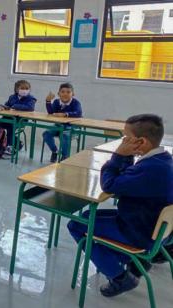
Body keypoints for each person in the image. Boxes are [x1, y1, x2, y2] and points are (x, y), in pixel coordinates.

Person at [68, 114, 173, 298]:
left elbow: (109, 184)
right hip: (151, 225)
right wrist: (125, 157)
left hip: (139, 232)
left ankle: (120, 276)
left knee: (76, 225)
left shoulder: (151, 169)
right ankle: (135, 261)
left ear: (141, 141)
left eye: (126, 138)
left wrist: (117, 156)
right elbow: (126, 177)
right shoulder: (162, 161)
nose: (122, 141)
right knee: (86, 217)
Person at [43, 83, 82, 162]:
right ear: (58, 94)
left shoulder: (76, 103)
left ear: (73, 94)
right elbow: (51, 112)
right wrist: (48, 101)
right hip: (58, 126)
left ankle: (65, 156)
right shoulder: (57, 102)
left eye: (68, 92)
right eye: (63, 92)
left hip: (72, 127)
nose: (65, 94)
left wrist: (65, 114)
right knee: (46, 134)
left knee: (64, 135)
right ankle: (55, 151)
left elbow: (78, 113)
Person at [0, 80, 36, 153]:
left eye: (27, 88)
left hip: (20, 120)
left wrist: (15, 106)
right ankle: (18, 143)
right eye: (22, 88)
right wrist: (4, 107)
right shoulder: (12, 97)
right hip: (8, 117)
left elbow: (30, 107)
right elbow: (8, 104)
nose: (25, 90)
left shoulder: (31, 98)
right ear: (17, 89)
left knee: (10, 127)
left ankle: (10, 146)